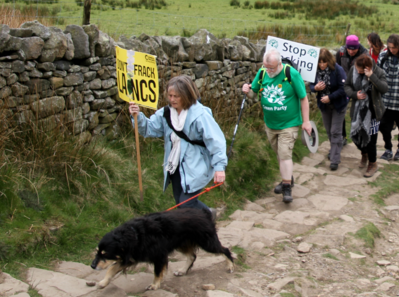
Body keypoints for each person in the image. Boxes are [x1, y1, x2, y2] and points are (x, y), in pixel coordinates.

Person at [130, 76, 226, 213]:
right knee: (181, 206)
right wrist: (137, 116)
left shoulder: (200, 115)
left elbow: (216, 140)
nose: (172, 99)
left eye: (177, 96)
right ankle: (193, 230)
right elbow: (148, 129)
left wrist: (219, 167)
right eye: (170, 95)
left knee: (186, 204)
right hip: (174, 166)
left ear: (186, 96)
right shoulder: (166, 113)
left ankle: (209, 216)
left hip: (196, 166)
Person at [242, 49, 312, 203]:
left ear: (279, 64)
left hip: (290, 123)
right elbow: (254, 93)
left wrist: (306, 121)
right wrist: (247, 90)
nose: (269, 71)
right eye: (266, 67)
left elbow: (303, 98)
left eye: (272, 68)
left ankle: (286, 187)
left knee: (285, 153)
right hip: (270, 124)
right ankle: (288, 178)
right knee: (280, 154)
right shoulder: (262, 73)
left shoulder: (291, 74)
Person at [344, 55, 388, 178]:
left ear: (367, 68)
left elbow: (384, 88)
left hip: (373, 112)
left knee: (371, 141)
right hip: (357, 111)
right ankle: (364, 154)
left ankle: (373, 163)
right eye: (356, 68)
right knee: (357, 136)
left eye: (360, 70)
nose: (357, 71)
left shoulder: (378, 71)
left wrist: (372, 77)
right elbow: (347, 86)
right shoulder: (354, 69)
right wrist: (354, 94)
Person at [309, 48, 348, 171]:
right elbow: (310, 85)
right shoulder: (314, 71)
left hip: (339, 105)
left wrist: (330, 97)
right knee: (328, 131)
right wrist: (315, 88)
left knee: (335, 131)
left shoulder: (338, 70)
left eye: (324, 62)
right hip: (324, 106)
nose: (321, 65)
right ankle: (334, 149)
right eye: (319, 62)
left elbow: (344, 88)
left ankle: (335, 159)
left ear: (329, 61)